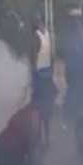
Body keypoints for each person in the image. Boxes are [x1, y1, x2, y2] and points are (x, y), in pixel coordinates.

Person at [63, 3, 83, 147]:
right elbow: (69, 57)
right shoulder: (71, 37)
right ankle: (76, 136)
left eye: (77, 19)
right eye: (72, 19)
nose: (75, 22)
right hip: (75, 78)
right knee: (75, 108)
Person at [31, 16, 56, 146]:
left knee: (41, 109)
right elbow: (51, 57)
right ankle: (44, 137)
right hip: (45, 77)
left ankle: (42, 137)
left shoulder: (37, 36)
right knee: (45, 110)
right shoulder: (47, 35)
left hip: (41, 78)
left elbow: (35, 57)